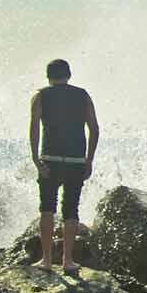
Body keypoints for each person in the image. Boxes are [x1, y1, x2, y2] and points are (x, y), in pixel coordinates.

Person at [29, 58, 99, 275]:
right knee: (71, 209)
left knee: (47, 208)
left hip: (50, 159)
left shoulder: (41, 95)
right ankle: (68, 260)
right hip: (76, 161)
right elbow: (95, 129)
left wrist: (35, 157)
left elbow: (34, 129)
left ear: (48, 76)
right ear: (69, 75)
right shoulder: (83, 95)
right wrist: (89, 160)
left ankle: (47, 260)